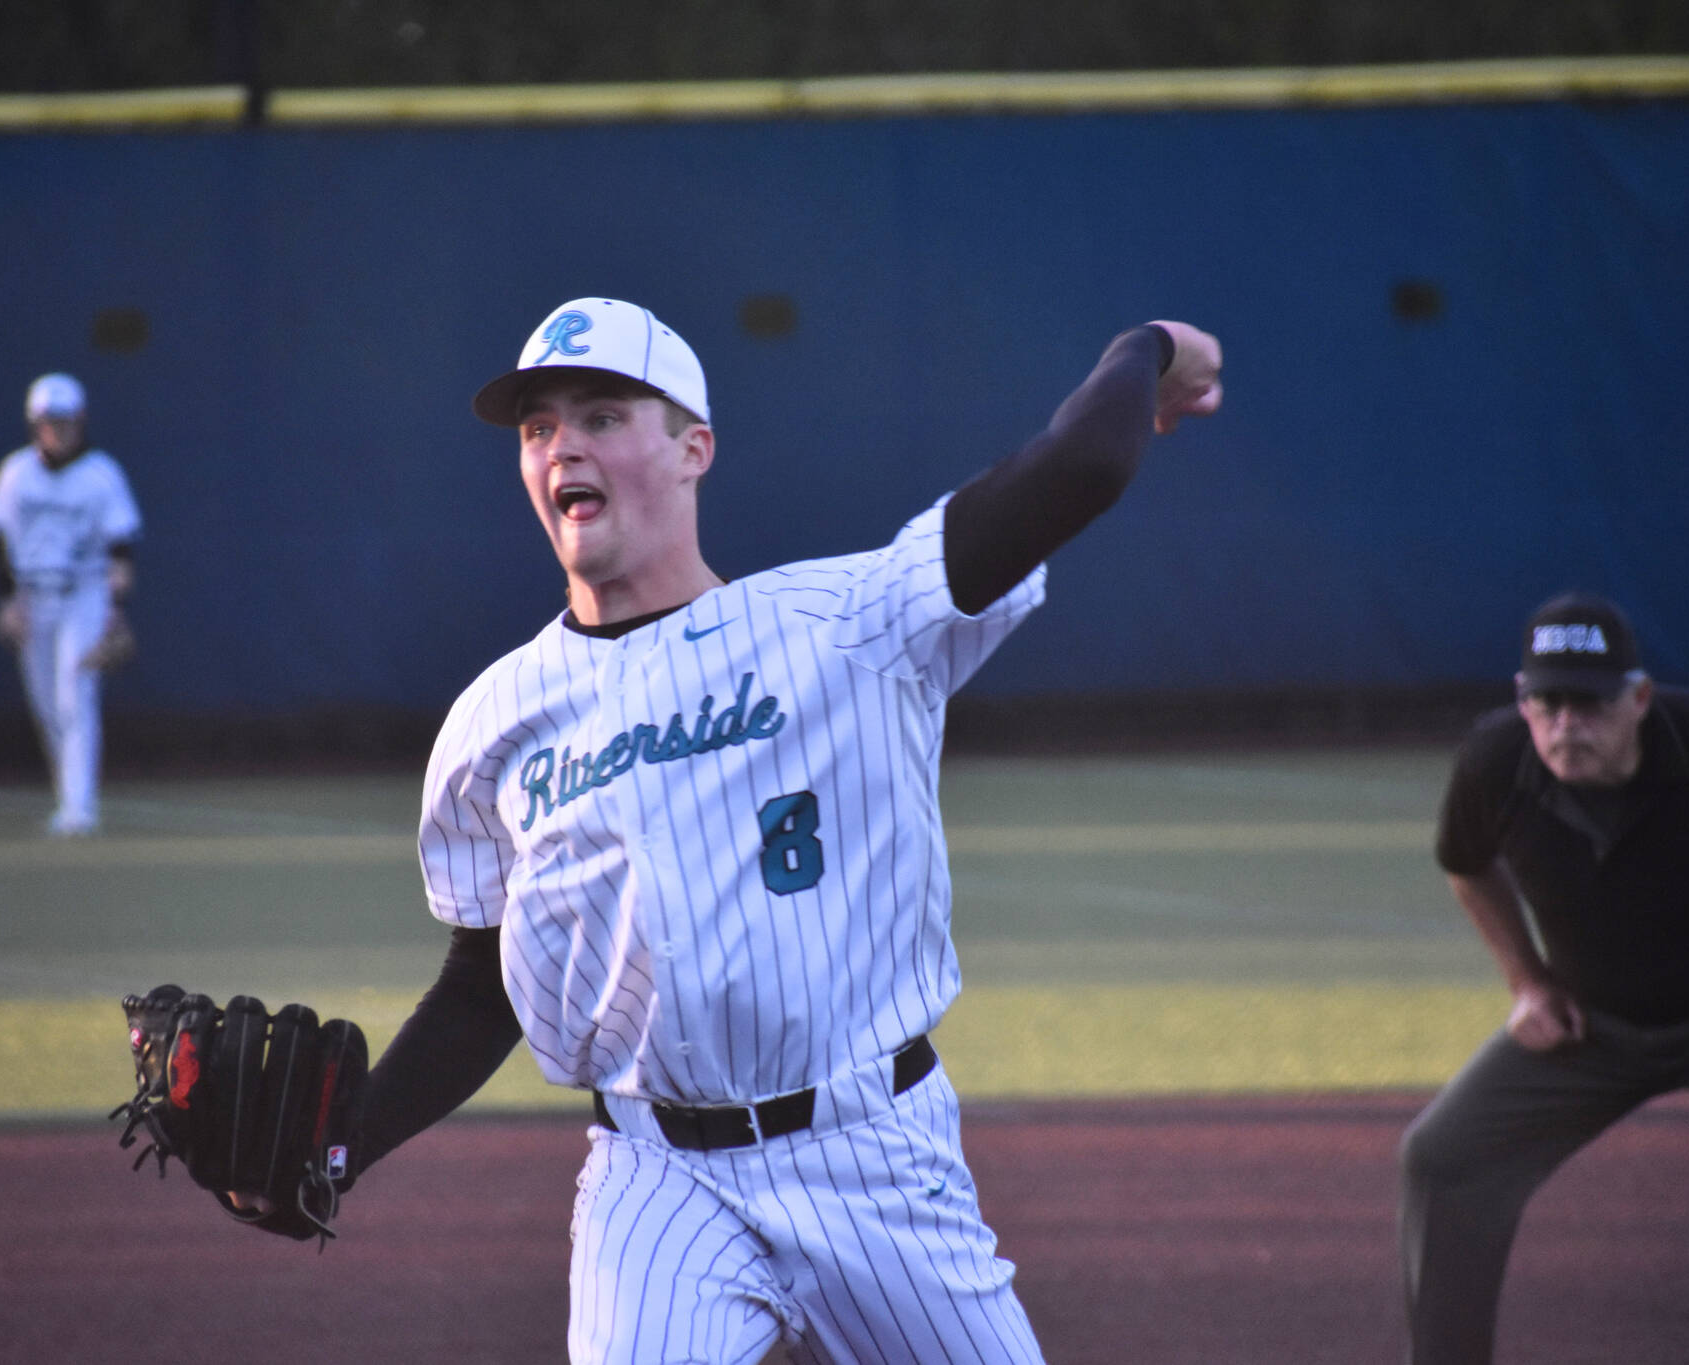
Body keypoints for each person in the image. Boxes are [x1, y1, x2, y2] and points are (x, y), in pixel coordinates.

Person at [341, 297, 1221, 1363]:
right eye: (538, 427)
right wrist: (339, 1150)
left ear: (691, 448)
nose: (563, 443)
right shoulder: (496, 719)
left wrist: (1150, 351)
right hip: (655, 1177)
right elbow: (487, 991)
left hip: (872, 1154)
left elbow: (1078, 467)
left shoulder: (851, 622)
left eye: (605, 413)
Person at [1400, 590, 1689, 1365]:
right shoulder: (1496, 759)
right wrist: (1526, 981)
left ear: (1640, 697)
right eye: (1547, 701)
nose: (1566, 724)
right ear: (1522, 700)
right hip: (1594, 1024)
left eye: (1589, 704)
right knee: (1444, 1155)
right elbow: (1465, 863)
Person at [0, 373, 141, 837]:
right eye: (50, 420)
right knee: (47, 705)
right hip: (34, 597)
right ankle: (68, 799)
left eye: (66, 420)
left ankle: (78, 809)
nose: (59, 429)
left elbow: (122, 546)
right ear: (35, 423)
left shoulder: (101, 473)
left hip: (83, 595)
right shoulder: (16, 473)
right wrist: (8, 601)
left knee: (75, 695)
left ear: (81, 420)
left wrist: (116, 606)